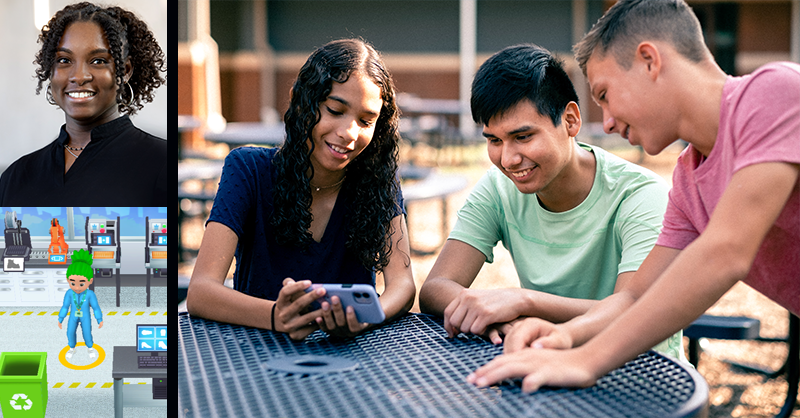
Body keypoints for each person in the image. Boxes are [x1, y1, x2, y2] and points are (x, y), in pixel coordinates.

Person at [467, 0, 799, 393]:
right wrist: (566, 337)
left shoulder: (774, 93)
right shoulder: (689, 182)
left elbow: (725, 253)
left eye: (605, 94)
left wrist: (585, 362)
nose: (606, 122)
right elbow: (635, 298)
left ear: (649, 61)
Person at [418, 44, 685, 360]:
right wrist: (498, 315)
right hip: (544, 361)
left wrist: (524, 303)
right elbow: (436, 287)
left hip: (642, 371)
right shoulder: (499, 187)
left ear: (570, 120)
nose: (508, 159)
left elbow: (636, 309)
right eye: (493, 140)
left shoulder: (639, 195)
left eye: (523, 136)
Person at [186, 38, 416, 341]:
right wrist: (276, 316)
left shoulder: (378, 182)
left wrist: (366, 318)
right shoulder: (248, 170)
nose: (349, 133)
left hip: (351, 361)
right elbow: (201, 292)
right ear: (300, 100)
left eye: (365, 120)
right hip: (253, 357)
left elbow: (403, 285)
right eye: (335, 110)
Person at [0, 2, 167, 206]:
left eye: (98, 61)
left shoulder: (160, 164)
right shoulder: (16, 176)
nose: (79, 76)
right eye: (64, 60)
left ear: (125, 70)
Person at [58, 249, 103, 360]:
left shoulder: (90, 294)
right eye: (73, 283)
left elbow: (96, 308)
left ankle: (90, 348)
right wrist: (60, 318)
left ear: (90, 281)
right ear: (68, 280)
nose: (77, 287)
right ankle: (72, 348)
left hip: (85, 317)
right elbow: (65, 306)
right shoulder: (69, 293)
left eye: (81, 283)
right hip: (73, 316)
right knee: (70, 332)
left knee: (87, 333)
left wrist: (99, 319)